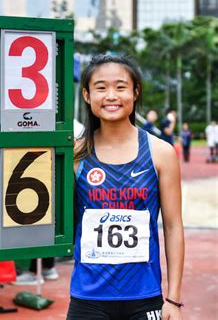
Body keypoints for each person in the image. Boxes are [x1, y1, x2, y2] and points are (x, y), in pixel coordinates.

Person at [69, 54, 184, 320]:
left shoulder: (161, 153)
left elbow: (173, 226)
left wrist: (174, 300)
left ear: (135, 92)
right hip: (88, 298)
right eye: (101, 87)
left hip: (145, 297)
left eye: (120, 87)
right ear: (87, 95)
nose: (111, 95)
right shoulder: (75, 154)